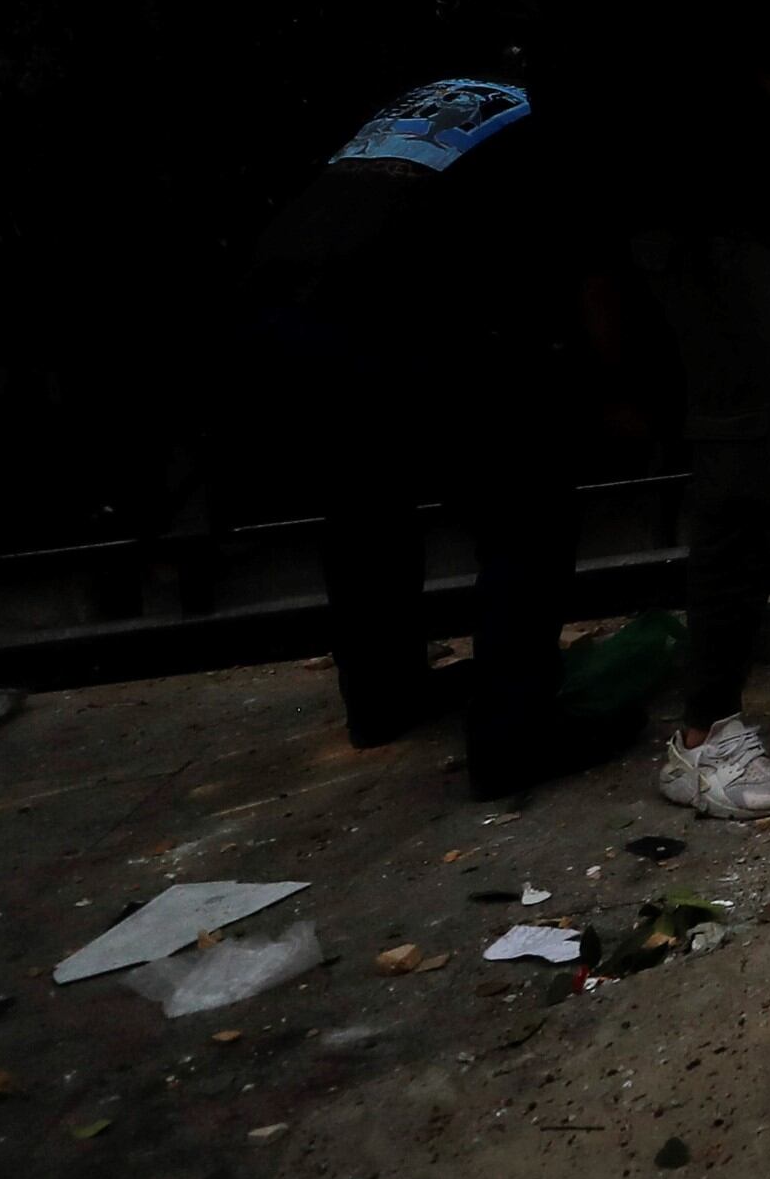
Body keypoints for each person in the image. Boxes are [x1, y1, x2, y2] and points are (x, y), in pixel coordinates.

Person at [532, 0, 770, 823]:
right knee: (747, 472)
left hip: (670, 241)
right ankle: (706, 734)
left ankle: (711, 707)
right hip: (728, 246)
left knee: (743, 464)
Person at [250, 74, 623, 798]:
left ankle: (382, 698)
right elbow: (593, 280)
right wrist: (615, 395)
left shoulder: (442, 100)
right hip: (386, 303)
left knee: (364, 506)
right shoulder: (569, 132)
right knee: (528, 508)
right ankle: (514, 738)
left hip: (280, 299)